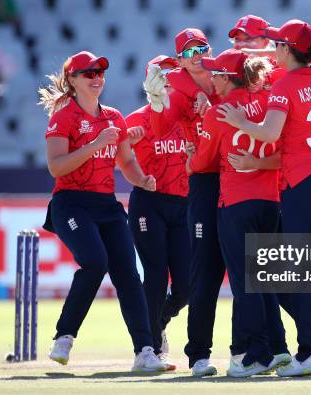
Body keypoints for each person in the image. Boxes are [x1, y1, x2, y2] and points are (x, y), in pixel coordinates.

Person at [217, 19, 311, 377]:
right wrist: (260, 50)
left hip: (307, 180)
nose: (273, 50)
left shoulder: (285, 87)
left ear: (288, 50)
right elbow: (298, 65)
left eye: (278, 45)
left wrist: (237, 120)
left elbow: (269, 131)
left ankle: (309, 353)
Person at [38, 50, 165, 372]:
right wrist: (95, 143)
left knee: (128, 274)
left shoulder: (113, 117)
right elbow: (56, 167)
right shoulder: (63, 117)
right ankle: (64, 337)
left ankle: (145, 351)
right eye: (88, 73)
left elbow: (127, 163)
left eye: (100, 73)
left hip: (106, 205)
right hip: (71, 202)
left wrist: (144, 180)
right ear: (72, 80)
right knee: (95, 263)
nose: (97, 79)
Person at [188, 48, 292, 377]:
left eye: (216, 74)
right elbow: (284, 153)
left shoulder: (218, 112)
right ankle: (277, 348)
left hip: (236, 203)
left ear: (229, 77)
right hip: (270, 202)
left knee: (246, 283)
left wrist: (191, 156)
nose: (211, 78)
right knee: (263, 280)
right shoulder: (268, 101)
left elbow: (202, 163)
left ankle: (256, 354)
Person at [143, 28, 228, 377]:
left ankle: (268, 348)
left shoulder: (223, 71)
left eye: (202, 48)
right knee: (202, 273)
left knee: (253, 267)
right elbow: (161, 129)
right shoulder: (177, 88)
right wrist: (157, 102)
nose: (198, 56)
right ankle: (198, 354)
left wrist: (213, 106)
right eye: (189, 51)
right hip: (204, 179)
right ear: (179, 59)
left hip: (243, 174)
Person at [125, 55, 190, 371]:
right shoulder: (137, 119)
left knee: (188, 285)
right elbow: (119, 159)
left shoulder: (187, 116)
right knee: (154, 274)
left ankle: (159, 320)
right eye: (162, 75)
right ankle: (147, 347)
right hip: (149, 203)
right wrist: (129, 146)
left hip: (184, 205)